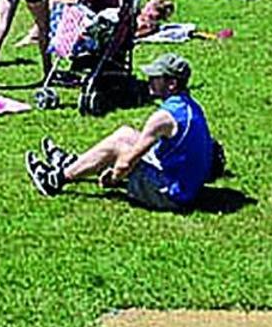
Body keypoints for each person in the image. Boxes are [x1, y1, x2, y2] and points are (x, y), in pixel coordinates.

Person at [25, 52, 215, 212]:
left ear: (171, 83)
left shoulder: (163, 118)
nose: (149, 80)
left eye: (155, 77)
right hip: (189, 185)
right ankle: (73, 164)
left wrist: (114, 178)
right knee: (125, 133)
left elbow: (126, 163)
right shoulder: (189, 106)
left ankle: (55, 179)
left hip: (173, 195)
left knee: (120, 147)